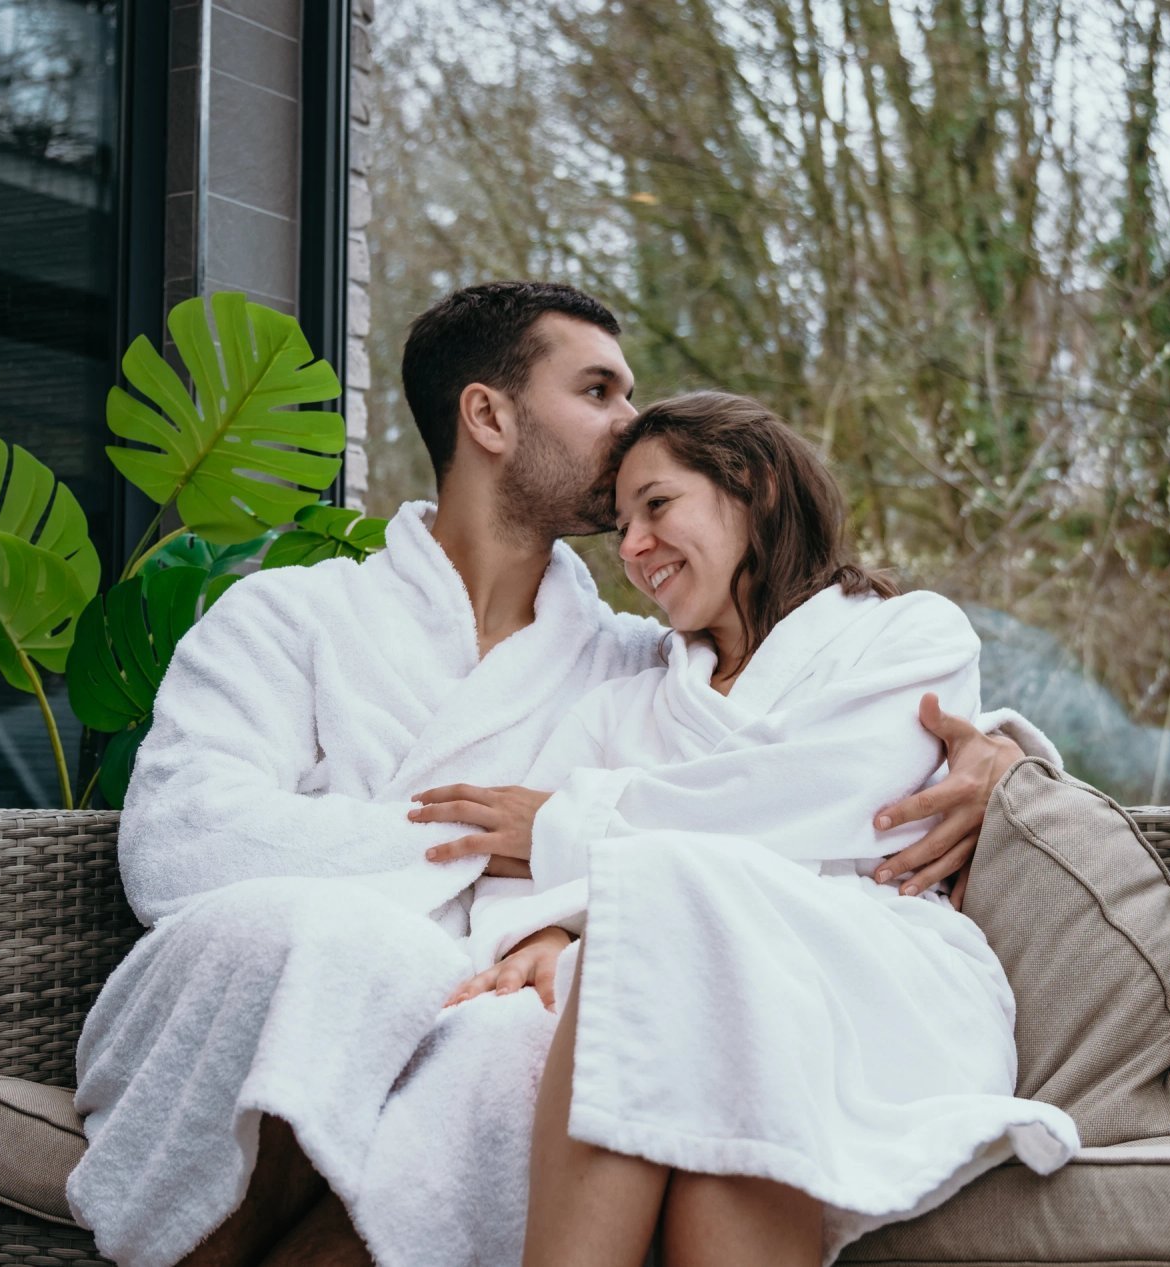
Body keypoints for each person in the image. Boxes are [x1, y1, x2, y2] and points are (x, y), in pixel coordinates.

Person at [67, 282, 1052, 1267]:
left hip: (527, 994)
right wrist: (483, 874)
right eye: (599, 391)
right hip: (338, 966)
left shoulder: (628, 661)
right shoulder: (291, 615)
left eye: (652, 491)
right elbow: (183, 839)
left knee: (527, 1037)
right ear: (489, 415)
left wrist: (996, 753)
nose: (629, 423)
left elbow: (772, 766)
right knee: (347, 949)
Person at [419, 391, 1079, 1266]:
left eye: (657, 506)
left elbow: (835, 794)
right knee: (684, 960)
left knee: (669, 912)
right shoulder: (624, 703)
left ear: (757, 487)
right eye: (619, 527)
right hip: (696, 972)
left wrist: (576, 831)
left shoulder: (906, 634)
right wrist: (541, 923)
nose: (633, 548)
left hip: (880, 971)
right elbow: (509, 860)